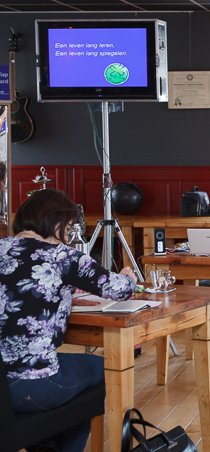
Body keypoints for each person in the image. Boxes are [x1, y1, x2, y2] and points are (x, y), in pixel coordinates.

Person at [2, 189, 137, 452]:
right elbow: (119, 289)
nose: (69, 233)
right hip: (31, 384)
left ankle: (44, 442)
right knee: (105, 370)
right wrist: (129, 275)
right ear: (55, 223)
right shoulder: (61, 256)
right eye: (69, 226)